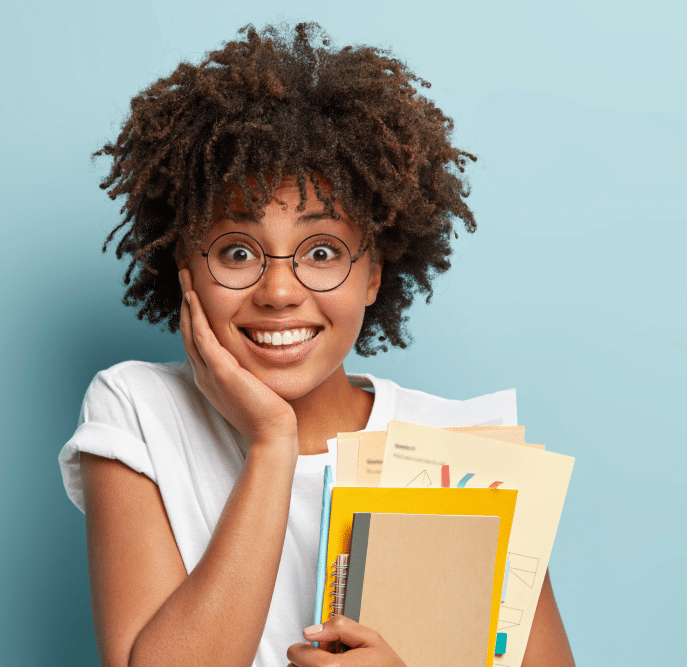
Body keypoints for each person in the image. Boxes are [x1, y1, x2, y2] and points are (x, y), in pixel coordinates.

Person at [59, 22, 575, 667]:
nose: (279, 290)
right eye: (237, 251)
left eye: (323, 251)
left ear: (375, 274)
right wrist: (271, 442)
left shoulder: (464, 451)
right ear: (184, 271)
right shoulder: (136, 412)